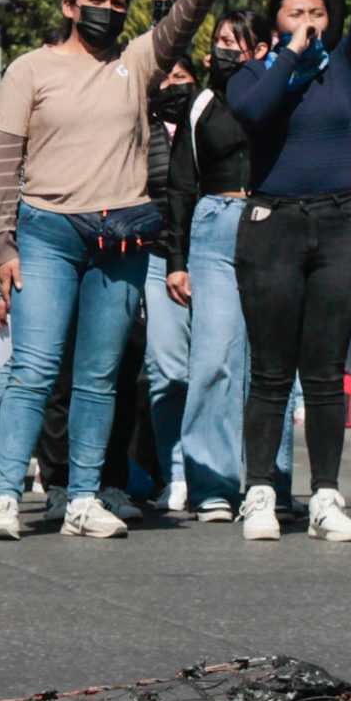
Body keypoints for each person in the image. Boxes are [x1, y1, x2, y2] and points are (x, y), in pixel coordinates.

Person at [0, 0, 233, 540]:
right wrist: (3, 242)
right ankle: (8, 495)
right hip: (46, 233)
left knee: (99, 377)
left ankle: (85, 498)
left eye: (121, 2)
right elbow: (4, 165)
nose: (110, 9)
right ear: (70, 6)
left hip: (121, 235)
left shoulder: (138, 64)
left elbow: (186, 17)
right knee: (35, 369)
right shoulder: (30, 69)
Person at [223, 0, 351, 544]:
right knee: (270, 371)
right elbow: (256, 111)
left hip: (335, 226)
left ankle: (326, 494)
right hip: (272, 224)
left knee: (324, 371)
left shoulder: (346, 68)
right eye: (294, 13)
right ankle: (260, 490)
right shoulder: (255, 71)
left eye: (317, 12)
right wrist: (288, 54)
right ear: (274, 25)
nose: (308, 21)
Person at [165, 11, 273, 520]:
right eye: (220, 41)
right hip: (214, 223)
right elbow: (181, 184)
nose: (226, 49)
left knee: (270, 366)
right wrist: (177, 261)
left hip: (271, 223)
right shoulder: (201, 103)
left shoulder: (280, 93)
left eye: (237, 41)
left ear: (261, 47)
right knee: (213, 358)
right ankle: (211, 484)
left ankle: (269, 483)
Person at [144, 44, 201, 513]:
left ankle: (215, 472)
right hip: (156, 259)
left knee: (217, 372)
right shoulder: (142, 126)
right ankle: (176, 473)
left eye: (183, 75)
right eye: (165, 76)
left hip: (213, 258)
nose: (173, 83)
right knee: (167, 371)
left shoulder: (212, 124)